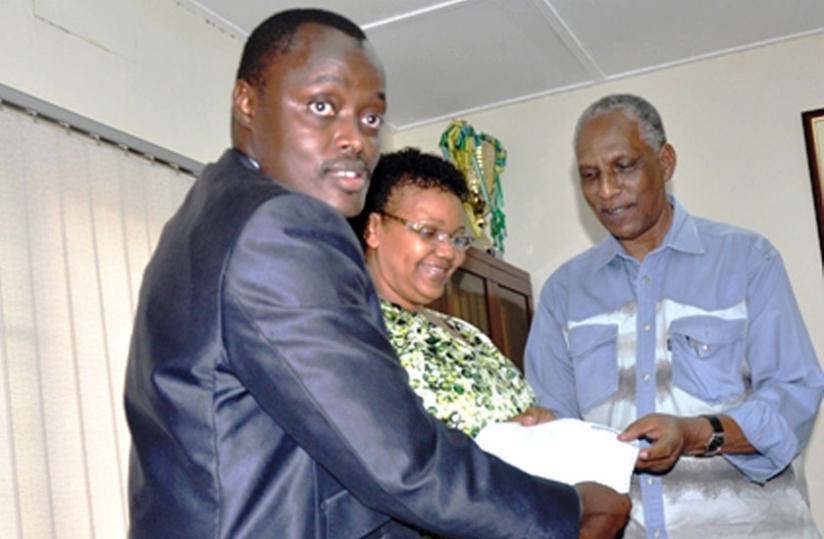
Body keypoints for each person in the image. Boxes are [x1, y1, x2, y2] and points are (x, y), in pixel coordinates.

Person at [124, 9, 631, 539]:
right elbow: (399, 461)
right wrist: (570, 510)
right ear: (247, 102)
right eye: (322, 106)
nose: (356, 140)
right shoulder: (281, 226)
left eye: (370, 119)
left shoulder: (205, 215)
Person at [525, 93, 824, 538]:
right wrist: (532, 433)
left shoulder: (746, 260)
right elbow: (558, 437)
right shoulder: (563, 294)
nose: (606, 191)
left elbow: (793, 395)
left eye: (623, 167)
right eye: (590, 176)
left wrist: (696, 433)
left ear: (665, 162)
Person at [352, 147, 553, 438]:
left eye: (458, 238)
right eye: (428, 232)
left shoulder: (466, 333)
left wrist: (537, 421)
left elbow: (520, 412)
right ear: (373, 228)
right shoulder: (355, 332)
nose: (448, 253)